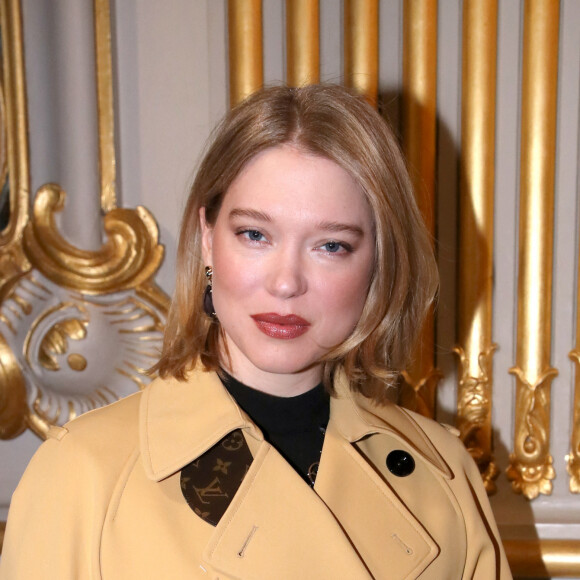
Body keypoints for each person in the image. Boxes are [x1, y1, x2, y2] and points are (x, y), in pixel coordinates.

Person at [0, 84, 511, 579]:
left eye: (331, 246)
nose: (286, 283)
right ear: (207, 238)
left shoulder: (441, 474)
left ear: (377, 261)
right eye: (255, 234)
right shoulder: (84, 474)